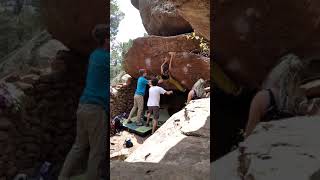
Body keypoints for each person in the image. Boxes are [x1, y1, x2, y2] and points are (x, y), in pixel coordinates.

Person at [58, 24, 109, 180]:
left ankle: (62, 177)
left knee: (79, 146)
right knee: (97, 152)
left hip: (83, 106)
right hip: (95, 109)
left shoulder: (94, 55)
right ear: (107, 39)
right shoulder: (106, 58)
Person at [244, 54, 320, 137]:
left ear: (276, 74)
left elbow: (250, 134)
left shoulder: (263, 97)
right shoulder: (301, 99)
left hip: (267, 146)